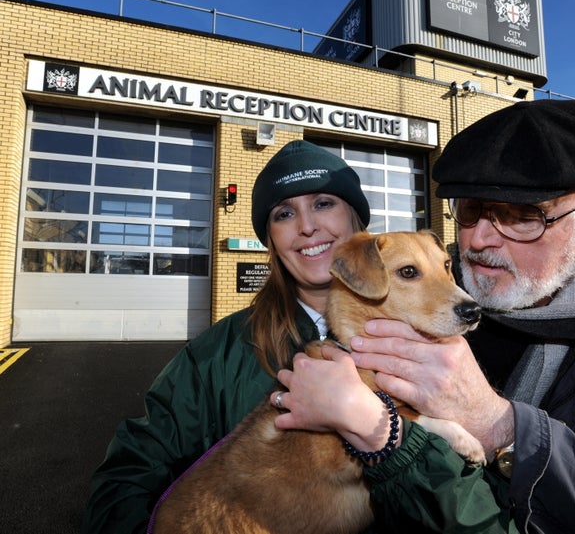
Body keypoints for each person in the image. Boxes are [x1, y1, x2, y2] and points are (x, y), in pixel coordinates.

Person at [273, 100, 575, 532]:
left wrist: (501, 426)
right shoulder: (439, 290)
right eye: (470, 211)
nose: (480, 240)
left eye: (522, 215)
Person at [80, 140, 377, 533]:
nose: (307, 226)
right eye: (284, 213)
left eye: (324, 203)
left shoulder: (419, 335)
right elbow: (128, 472)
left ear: (354, 217)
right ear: (271, 239)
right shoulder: (214, 354)